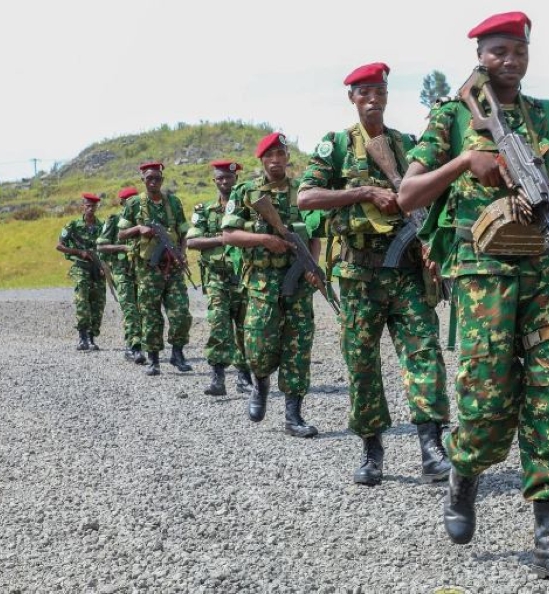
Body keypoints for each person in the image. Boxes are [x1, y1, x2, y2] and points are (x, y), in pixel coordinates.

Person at [397, 12, 549, 586]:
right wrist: (466, 161)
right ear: (480, 56)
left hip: (545, 272)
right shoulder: (451, 116)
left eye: (519, 51)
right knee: (485, 406)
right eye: (499, 51)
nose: (510, 61)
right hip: (481, 277)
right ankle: (464, 471)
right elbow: (408, 193)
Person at [298, 62, 451, 486]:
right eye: (364, 92)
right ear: (352, 97)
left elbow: (433, 198)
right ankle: (371, 450)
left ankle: (432, 448)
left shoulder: (406, 145)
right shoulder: (335, 146)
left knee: (424, 354)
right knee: (362, 363)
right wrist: (363, 192)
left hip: (407, 272)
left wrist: (433, 243)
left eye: (379, 91)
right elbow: (306, 197)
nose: (373, 99)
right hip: (359, 275)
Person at [221, 132, 321, 438]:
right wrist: (264, 239)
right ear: (262, 160)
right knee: (259, 347)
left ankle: (293, 416)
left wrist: (312, 266)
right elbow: (229, 235)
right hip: (262, 284)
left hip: (297, 283)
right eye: (269, 155)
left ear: (287, 157)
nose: (275, 160)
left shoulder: (302, 192)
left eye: (280, 154)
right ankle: (260, 384)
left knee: (298, 347)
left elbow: (315, 235)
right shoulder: (246, 192)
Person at [117, 162, 193, 376]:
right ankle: (153, 359)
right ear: (143, 179)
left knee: (181, 313)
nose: (153, 182)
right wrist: (138, 229)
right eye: (149, 178)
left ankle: (177, 354)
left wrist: (182, 253)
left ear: (162, 179)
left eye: (157, 178)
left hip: (173, 266)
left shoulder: (173, 202)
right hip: (148, 269)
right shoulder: (134, 204)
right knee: (150, 314)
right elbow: (121, 234)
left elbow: (184, 232)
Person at [186, 160, 253, 395]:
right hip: (216, 279)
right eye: (220, 178)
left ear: (236, 180)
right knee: (219, 325)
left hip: (244, 277)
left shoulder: (247, 209)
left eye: (229, 177)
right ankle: (218, 377)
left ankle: (244, 377)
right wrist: (225, 239)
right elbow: (192, 241)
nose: (225, 181)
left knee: (245, 328)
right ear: (214, 181)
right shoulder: (205, 210)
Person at [97, 186, 146, 364]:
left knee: (143, 308)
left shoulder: (144, 221)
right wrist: (123, 247)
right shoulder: (114, 220)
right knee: (130, 308)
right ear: (123, 203)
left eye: (137, 201)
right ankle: (134, 347)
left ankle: (138, 343)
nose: (134, 205)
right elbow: (101, 246)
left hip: (142, 272)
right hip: (122, 271)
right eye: (130, 202)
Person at [56, 192, 106, 351]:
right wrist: (79, 252)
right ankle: (83, 337)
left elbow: (107, 247)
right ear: (83, 206)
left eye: (94, 206)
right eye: (88, 206)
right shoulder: (73, 225)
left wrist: (106, 267)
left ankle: (92, 338)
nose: (91, 209)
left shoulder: (102, 226)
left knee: (98, 303)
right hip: (80, 267)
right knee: (82, 300)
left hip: (98, 268)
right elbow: (59, 246)